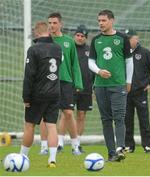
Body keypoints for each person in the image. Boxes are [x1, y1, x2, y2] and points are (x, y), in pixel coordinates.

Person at [88, 10, 134, 162]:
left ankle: (120, 148)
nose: (101, 23)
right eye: (99, 20)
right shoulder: (95, 40)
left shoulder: (122, 38)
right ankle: (112, 153)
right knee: (106, 119)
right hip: (100, 86)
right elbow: (91, 62)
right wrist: (99, 71)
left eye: (104, 20)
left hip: (118, 85)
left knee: (119, 117)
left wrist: (128, 81)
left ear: (112, 21)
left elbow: (129, 61)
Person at [39, 12, 83, 155]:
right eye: (50, 23)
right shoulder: (44, 41)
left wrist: (78, 83)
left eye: (54, 23)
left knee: (69, 113)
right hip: (48, 81)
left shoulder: (69, 41)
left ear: (60, 24)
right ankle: (44, 147)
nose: (52, 25)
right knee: (44, 115)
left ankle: (76, 146)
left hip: (65, 82)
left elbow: (74, 63)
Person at [20, 21, 62, 168]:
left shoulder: (33, 49)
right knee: (51, 126)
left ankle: (22, 158)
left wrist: (26, 97)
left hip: (37, 94)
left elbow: (29, 75)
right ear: (48, 31)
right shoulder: (58, 49)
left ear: (37, 32)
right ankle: (52, 160)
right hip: (55, 93)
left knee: (29, 125)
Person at [124, 29, 150, 153]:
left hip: (140, 92)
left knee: (144, 120)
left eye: (131, 38)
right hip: (126, 93)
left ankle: (147, 145)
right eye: (127, 38)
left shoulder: (145, 53)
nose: (128, 40)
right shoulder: (122, 53)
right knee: (127, 120)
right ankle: (129, 146)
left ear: (136, 38)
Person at [57, 25, 94, 153]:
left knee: (81, 115)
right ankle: (59, 143)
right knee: (66, 114)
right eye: (77, 35)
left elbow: (94, 67)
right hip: (70, 86)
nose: (79, 38)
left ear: (86, 38)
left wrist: (93, 86)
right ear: (74, 36)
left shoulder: (90, 51)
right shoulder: (68, 47)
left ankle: (77, 144)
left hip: (87, 88)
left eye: (82, 36)